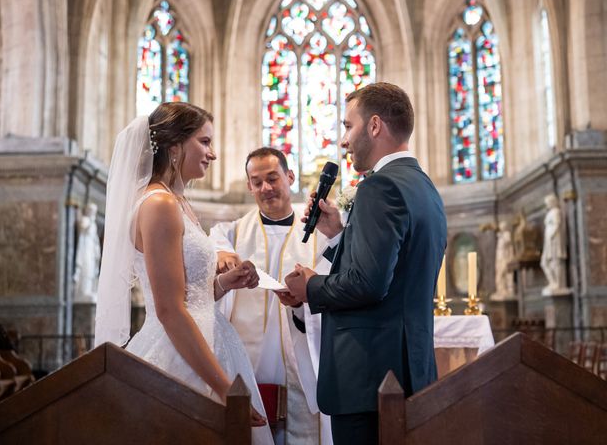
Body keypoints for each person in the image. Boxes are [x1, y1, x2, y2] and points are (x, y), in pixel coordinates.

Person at [94, 102, 273, 444]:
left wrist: (222, 283)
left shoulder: (178, 202)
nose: (213, 154)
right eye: (204, 142)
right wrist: (224, 389)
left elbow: (191, 290)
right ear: (175, 148)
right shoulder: (158, 204)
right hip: (180, 350)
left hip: (208, 339)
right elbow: (169, 309)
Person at [284, 82, 447, 445]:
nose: (343, 140)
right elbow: (394, 270)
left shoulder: (380, 187)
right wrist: (340, 235)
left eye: (347, 126)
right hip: (409, 370)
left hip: (370, 378)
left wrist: (309, 287)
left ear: (374, 126)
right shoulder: (424, 188)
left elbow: (368, 284)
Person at [209, 147, 332, 445]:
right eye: (257, 181)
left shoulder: (321, 235)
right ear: (249, 186)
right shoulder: (230, 235)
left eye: (273, 178)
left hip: (301, 354)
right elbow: (210, 248)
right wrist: (221, 255)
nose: (265, 188)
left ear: (289, 177)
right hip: (248, 358)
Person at [73, 203, 101, 302]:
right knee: (86, 268)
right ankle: (84, 291)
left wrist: (97, 250)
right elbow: (82, 225)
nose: (93, 213)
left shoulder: (93, 223)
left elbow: (95, 240)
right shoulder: (87, 220)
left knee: (91, 270)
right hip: (86, 248)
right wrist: (81, 215)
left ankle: (88, 290)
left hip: (91, 250)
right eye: (91, 211)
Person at [540, 193, 567, 295]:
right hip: (549, 241)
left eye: (547, 203)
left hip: (554, 241)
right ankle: (553, 282)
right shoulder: (550, 212)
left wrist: (552, 236)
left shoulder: (556, 212)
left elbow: (557, 224)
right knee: (544, 263)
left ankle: (558, 283)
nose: (547, 205)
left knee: (555, 262)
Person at [492, 220, 515, 300]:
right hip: (499, 258)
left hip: (505, 258)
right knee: (499, 275)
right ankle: (501, 290)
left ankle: (507, 290)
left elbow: (508, 244)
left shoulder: (506, 235)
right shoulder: (500, 236)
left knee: (505, 274)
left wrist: (502, 236)